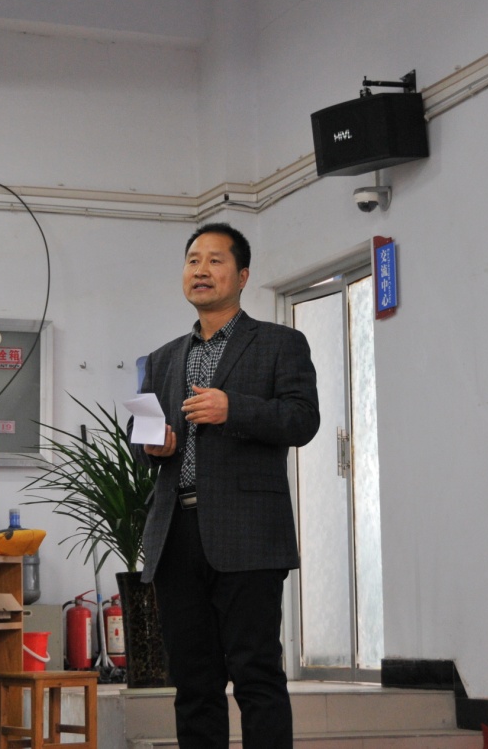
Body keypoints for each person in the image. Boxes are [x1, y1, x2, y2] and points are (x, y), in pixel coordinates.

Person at [137, 222, 319, 748]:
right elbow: (141, 433)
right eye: (193, 260)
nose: (201, 270)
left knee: (256, 675)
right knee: (193, 683)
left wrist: (233, 408)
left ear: (242, 276)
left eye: (215, 260)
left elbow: (302, 420)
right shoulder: (164, 358)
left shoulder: (280, 343)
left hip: (248, 534)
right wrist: (154, 445)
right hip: (176, 534)